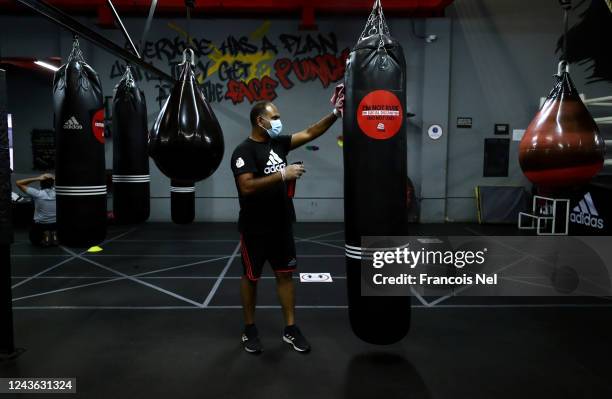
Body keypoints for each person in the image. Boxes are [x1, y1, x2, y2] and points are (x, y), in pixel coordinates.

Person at [231, 93, 343, 354]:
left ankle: (290, 329)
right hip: (254, 227)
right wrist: (283, 174)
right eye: (275, 118)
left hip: (281, 224)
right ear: (261, 121)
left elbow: (310, 132)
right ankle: (249, 329)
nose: (280, 121)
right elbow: (246, 186)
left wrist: (336, 114)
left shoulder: (278, 144)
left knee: (285, 275)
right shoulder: (243, 151)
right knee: (251, 277)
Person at [16, 173, 58, 246]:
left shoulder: (38, 194)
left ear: (41, 183)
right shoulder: (57, 192)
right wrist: (54, 179)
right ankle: (54, 234)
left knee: (34, 239)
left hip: (41, 225)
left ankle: (46, 234)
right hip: (55, 224)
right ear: (52, 183)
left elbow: (18, 183)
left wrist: (37, 178)